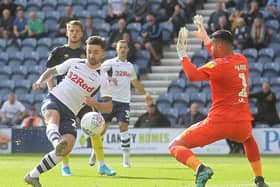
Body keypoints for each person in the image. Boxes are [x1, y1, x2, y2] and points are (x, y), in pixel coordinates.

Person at [171, 15, 268, 187]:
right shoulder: (241, 60)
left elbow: (192, 75)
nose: (211, 49)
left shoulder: (218, 66)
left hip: (220, 121)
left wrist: (182, 54)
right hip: (242, 122)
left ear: (220, 46)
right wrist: (207, 38)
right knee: (248, 140)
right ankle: (259, 179)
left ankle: (200, 169)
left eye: (213, 46)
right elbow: (220, 54)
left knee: (175, 145)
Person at [24, 36, 115, 187]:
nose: (92, 55)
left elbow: (109, 107)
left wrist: (95, 103)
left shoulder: (103, 78)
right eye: (89, 51)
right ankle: (55, 143)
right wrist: (40, 81)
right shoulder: (74, 62)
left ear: (103, 54)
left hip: (71, 112)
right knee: (53, 118)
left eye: (96, 52)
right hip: (55, 99)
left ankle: (33, 176)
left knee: (68, 145)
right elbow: (52, 71)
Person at [46, 20, 115, 177]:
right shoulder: (58, 52)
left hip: (84, 100)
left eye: (77, 31)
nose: (74, 33)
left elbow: (98, 72)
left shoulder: (87, 53)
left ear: (82, 33)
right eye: (71, 30)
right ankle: (65, 166)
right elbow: (50, 72)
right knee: (65, 132)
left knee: (95, 129)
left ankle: (102, 165)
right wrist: (51, 90)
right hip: (64, 99)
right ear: (67, 32)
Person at [96, 39, 153, 168]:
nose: (122, 49)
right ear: (116, 49)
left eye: (124, 47)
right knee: (103, 128)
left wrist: (146, 95)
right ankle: (95, 151)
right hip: (109, 100)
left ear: (128, 50)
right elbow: (96, 72)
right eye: (120, 47)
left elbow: (135, 82)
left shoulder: (130, 66)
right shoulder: (109, 63)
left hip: (124, 102)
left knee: (124, 127)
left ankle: (126, 160)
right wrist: (109, 78)